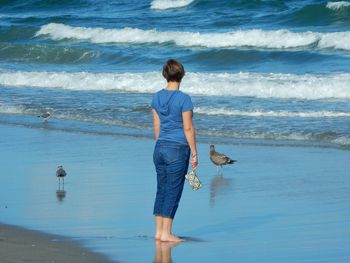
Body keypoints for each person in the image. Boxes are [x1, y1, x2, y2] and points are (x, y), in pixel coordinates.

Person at [151, 59, 198, 242]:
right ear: (182, 75)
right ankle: (167, 233)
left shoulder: (156, 97)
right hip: (177, 149)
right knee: (173, 190)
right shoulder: (184, 99)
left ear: (165, 74)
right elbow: (188, 128)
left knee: (161, 189)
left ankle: (158, 231)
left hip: (160, 147)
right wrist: (194, 152)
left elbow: (157, 126)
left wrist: (161, 144)